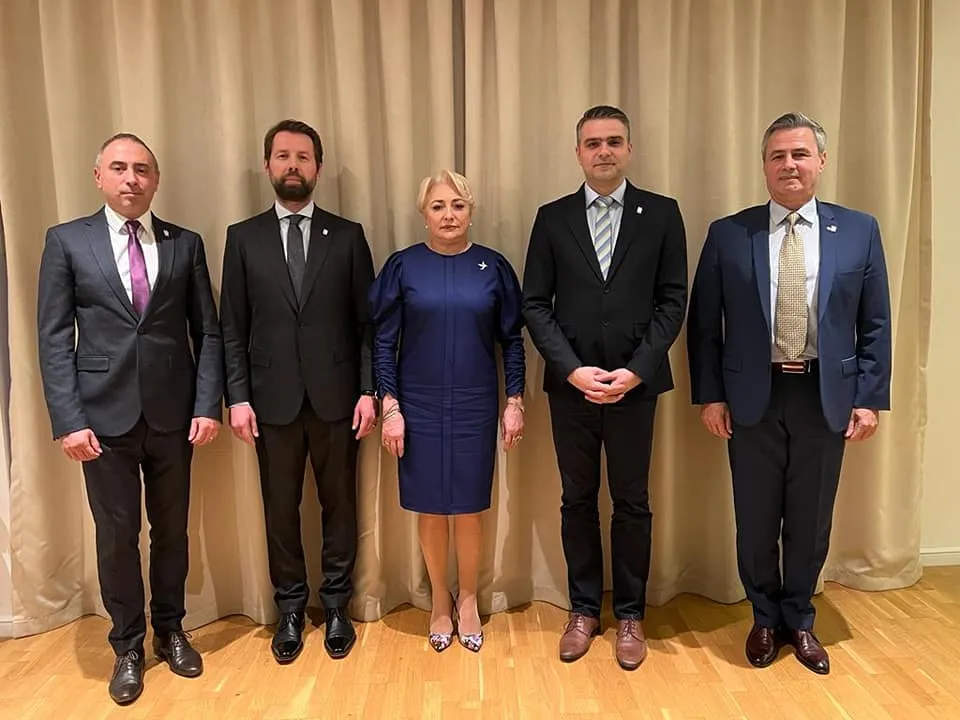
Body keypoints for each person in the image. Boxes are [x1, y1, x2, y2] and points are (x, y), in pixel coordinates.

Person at [687, 112, 892, 675]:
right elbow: (704, 324)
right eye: (777, 156)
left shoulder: (859, 230)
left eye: (800, 154)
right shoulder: (730, 233)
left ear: (821, 161)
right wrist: (711, 395)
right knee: (755, 517)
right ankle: (763, 617)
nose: (789, 165)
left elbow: (875, 323)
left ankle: (799, 618)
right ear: (764, 166)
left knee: (811, 517)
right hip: (752, 395)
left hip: (825, 396)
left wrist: (869, 397)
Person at [37, 133, 223, 705]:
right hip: (101, 420)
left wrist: (206, 404)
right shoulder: (68, 241)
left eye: (142, 169)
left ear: (156, 180)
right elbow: (53, 338)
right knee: (117, 537)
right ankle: (127, 645)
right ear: (99, 176)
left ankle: (171, 629)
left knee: (171, 532)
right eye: (119, 168)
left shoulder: (185, 244)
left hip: (172, 415)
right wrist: (68, 419)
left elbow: (208, 332)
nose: (131, 179)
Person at [521, 105, 688, 670]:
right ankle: (584, 610)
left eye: (614, 141)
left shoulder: (662, 214)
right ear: (578, 153)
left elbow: (672, 301)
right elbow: (535, 304)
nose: (604, 151)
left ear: (629, 149)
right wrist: (572, 370)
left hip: (635, 387)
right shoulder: (552, 218)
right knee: (577, 500)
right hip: (572, 388)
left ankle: (632, 615)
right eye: (593, 143)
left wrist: (637, 369)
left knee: (633, 502)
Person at [219, 119, 377, 663]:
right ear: (267, 165)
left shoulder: (348, 235)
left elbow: (367, 324)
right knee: (280, 508)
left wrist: (368, 389)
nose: (293, 165)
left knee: (340, 505)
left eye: (303, 157)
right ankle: (289, 607)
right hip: (270, 401)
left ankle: (336, 605)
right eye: (283, 156)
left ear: (318, 168)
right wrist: (237, 397)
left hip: (339, 398)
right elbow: (232, 327)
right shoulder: (243, 238)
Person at [369, 170, 525, 653]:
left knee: (470, 506)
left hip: (476, 404)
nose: (449, 215)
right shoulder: (403, 267)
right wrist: (390, 406)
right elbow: (383, 341)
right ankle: (440, 598)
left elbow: (511, 340)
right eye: (438, 206)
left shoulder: (493, 267)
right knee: (432, 507)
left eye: (458, 205)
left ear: (471, 211)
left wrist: (514, 401)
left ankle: (469, 598)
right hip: (417, 405)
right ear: (424, 214)